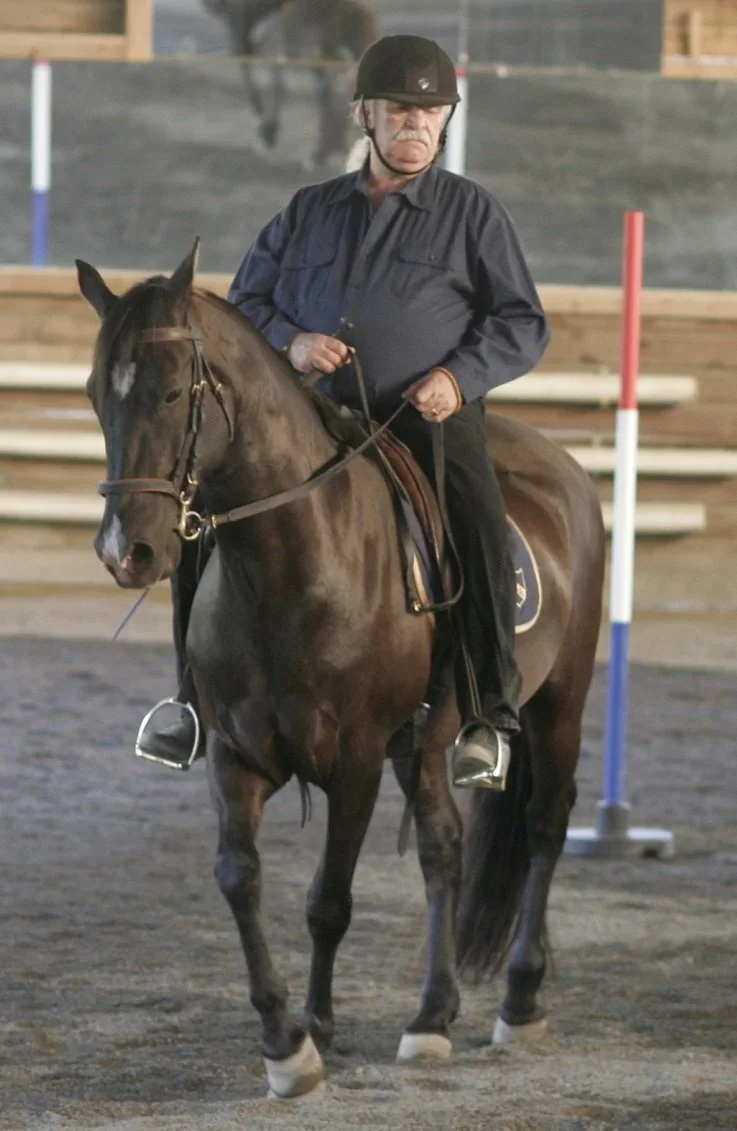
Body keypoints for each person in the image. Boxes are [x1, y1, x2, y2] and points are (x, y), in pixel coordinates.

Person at [138, 33, 550, 789]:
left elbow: (522, 323)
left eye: (432, 112)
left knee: (477, 522)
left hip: (422, 418)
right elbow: (246, 303)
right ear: (363, 113)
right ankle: (191, 701)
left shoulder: (472, 216)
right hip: (310, 417)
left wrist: (458, 381)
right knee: (204, 510)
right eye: (400, 109)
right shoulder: (307, 212)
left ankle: (489, 714)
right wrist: (291, 343)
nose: (417, 124)